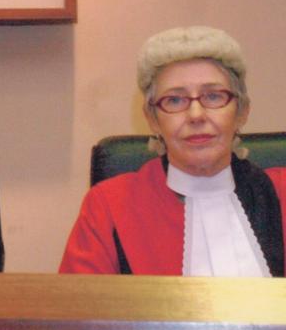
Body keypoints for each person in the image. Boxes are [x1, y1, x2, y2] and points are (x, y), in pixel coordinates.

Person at [60, 26, 286, 276]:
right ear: (153, 119)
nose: (196, 115)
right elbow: (77, 311)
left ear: (242, 111)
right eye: (175, 100)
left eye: (213, 97)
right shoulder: (107, 206)